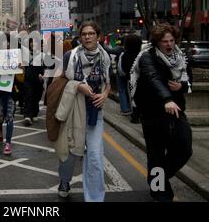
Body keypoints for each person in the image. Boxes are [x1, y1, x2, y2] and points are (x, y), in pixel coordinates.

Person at [130, 24, 193, 202]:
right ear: (157, 42)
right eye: (165, 41)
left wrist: (181, 86)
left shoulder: (180, 57)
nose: (169, 44)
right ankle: (159, 192)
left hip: (176, 110)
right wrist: (167, 98)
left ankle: (157, 176)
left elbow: (189, 81)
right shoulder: (147, 57)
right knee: (156, 153)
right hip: (152, 112)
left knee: (185, 147)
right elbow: (152, 77)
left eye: (172, 40)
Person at [55, 21, 111, 202]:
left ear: (98, 36)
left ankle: (94, 199)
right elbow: (59, 82)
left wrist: (105, 94)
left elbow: (108, 83)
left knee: (95, 157)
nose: (87, 36)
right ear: (80, 37)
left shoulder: (105, 57)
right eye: (84, 34)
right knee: (70, 154)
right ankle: (64, 181)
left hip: (95, 112)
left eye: (91, 33)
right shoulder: (69, 56)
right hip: (73, 111)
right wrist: (78, 86)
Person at [116, 34, 142, 123]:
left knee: (133, 97)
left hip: (130, 78)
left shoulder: (125, 55)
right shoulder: (141, 54)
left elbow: (123, 68)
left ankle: (134, 116)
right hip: (141, 79)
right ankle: (141, 115)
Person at [23, 38, 45, 126]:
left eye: (35, 42)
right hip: (28, 79)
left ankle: (34, 113)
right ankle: (27, 116)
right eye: (32, 42)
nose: (33, 44)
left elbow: (47, 67)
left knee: (37, 97)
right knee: (29, 96)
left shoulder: (43, 55)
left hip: (38, 80)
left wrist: (43, 75)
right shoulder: (26, 54)